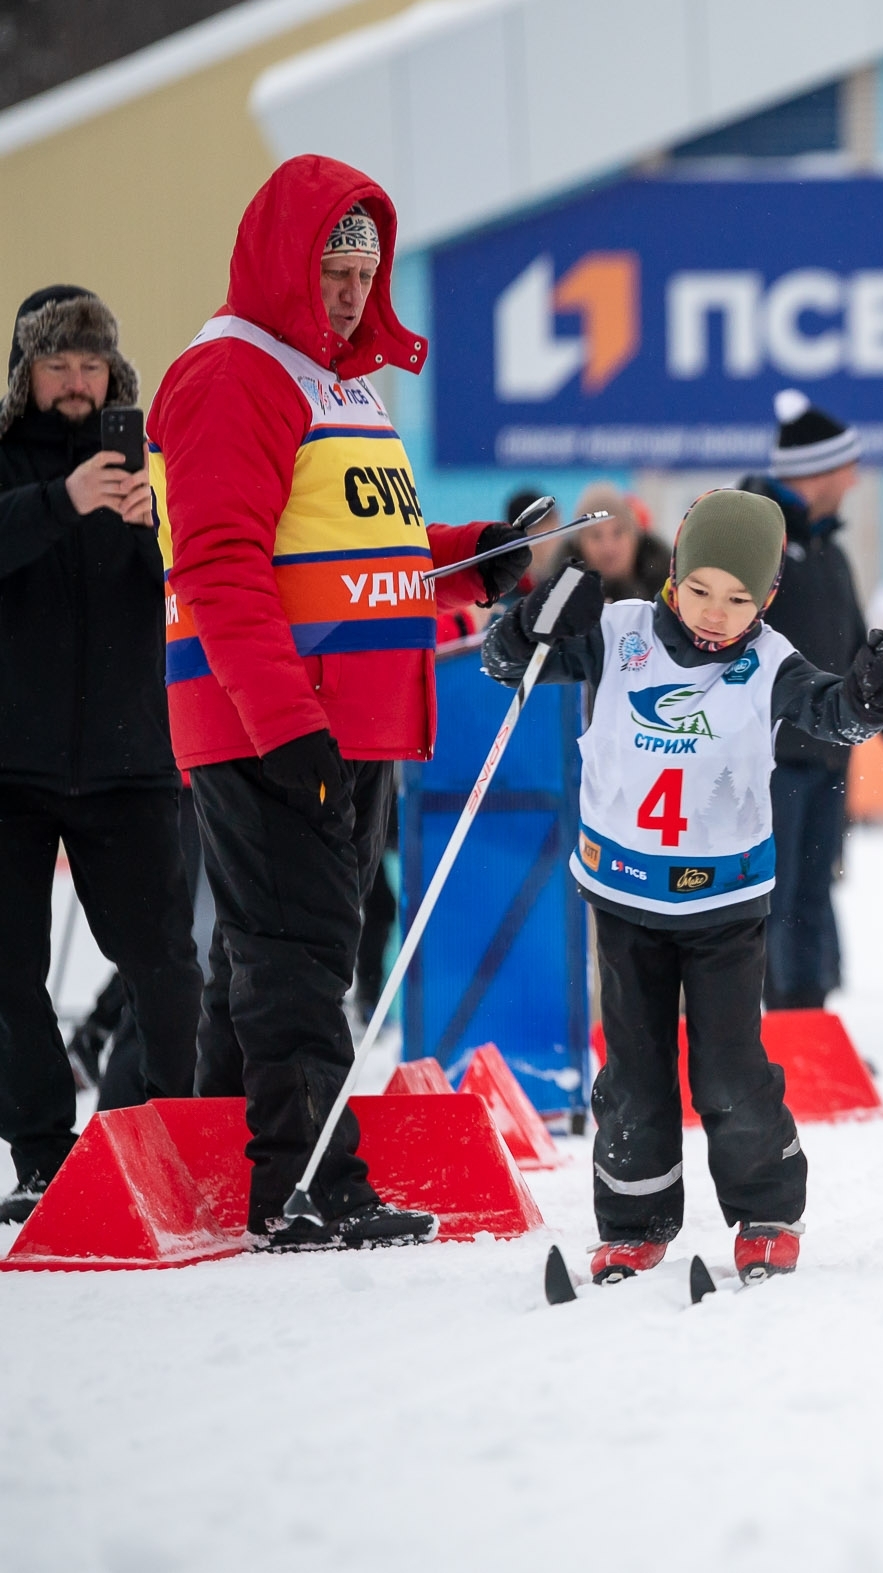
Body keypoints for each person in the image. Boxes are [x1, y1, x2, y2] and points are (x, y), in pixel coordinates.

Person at [148, 156, 530, 1247]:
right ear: (283, 260)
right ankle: (306, 1181)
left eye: (367, 269)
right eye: (333, 267)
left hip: (340, 718)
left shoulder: (339, 383)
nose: (354, 291)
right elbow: (217, 566)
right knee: (300, 956)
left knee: (275, 952)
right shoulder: (234, 372)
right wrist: (287, 724)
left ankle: (235, 1158)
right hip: (276, 717)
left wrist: (477, 557)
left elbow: (367, 551)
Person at [485, 491, 883, 1283]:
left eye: (740, 598)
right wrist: (534, 617)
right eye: (700, 590)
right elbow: (508, 662)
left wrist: (869, 698)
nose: (717, 614)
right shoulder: (619, 634)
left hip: (724, 904)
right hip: (623, 892)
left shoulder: (768, 661)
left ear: (767, 600)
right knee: (634, 1067)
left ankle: (766, 1208)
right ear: (673, 574)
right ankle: (634, 1216)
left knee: (728, 1066)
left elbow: (829, 711)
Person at [0, 286, 202, 1224]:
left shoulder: (155, 465)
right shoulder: (6, 466)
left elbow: (206, 570)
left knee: (164, 966)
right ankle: (42, 1160)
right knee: (8, 976)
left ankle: (172, 1144)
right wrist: (58, 501)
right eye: (57, 364)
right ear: (25, 375)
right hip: (12, 765)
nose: (76, 382)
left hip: (133, 762)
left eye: (91, 364)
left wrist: (149, 530)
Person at [737, 389, 869, 1011]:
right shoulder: (756, 539)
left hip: (827, 755)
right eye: (848, 466)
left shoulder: (829, 551)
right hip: (772, 757)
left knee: (814, 896)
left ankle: (811, 1029)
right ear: (817, 472)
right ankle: (777, 1034)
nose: (856, 478)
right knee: (774, 899)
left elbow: (860, 650)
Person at [563, 482, 670, 601]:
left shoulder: (671, 601)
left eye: (618, 533)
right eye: (596, 536)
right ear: (579, 545)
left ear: (635, 538)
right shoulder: (556, 607)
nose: (608, 547)